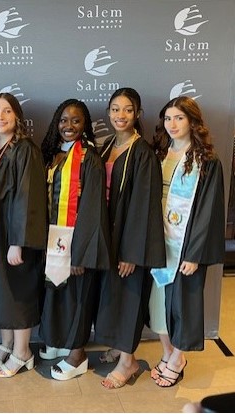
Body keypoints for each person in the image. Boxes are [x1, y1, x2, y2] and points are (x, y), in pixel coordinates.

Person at [149, 96, 225, 388]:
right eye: (168, 118)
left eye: (179, 118)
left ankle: (179, 357)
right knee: (158, 303)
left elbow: (208, 213)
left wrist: (194, 254)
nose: (172, 124)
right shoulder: (160, 153)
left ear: (192, 121)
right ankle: (167, 352)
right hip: (160, 241)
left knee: (183, 303)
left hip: (185, 244)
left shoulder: (206, 160)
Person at [94, 87, 166, 389]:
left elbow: (143, 206)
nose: (119, 115)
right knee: (112, 296)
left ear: (137, 113)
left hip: (127, 238)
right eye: (114, 109)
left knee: (128, 298)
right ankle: (117, 346)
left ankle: (129, 361)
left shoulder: (142, 153)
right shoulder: (108, 144)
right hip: (108, 234)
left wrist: (131, 253)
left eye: (127, 109)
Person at [39, 98, 110, 380]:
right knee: (57, 294)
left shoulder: (89, 158)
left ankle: (78, 355)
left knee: (78, 297)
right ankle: (60, 342)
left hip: (76, 242)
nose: (69, 126)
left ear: (85, 125)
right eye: (64, 120)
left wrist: (80, 253)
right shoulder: (53, 155)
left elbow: (93, 209)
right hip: (53, 239)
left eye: (76, 120)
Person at [0, 92, 47, 378]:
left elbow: (27, 197)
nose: (1, 117)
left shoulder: (24, 149)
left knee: (18, 291)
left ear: (17, 115)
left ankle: (23, 351)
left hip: (13, 237)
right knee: (0, 292)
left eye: (7, 111)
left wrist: (18, 242)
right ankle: (7, 344)